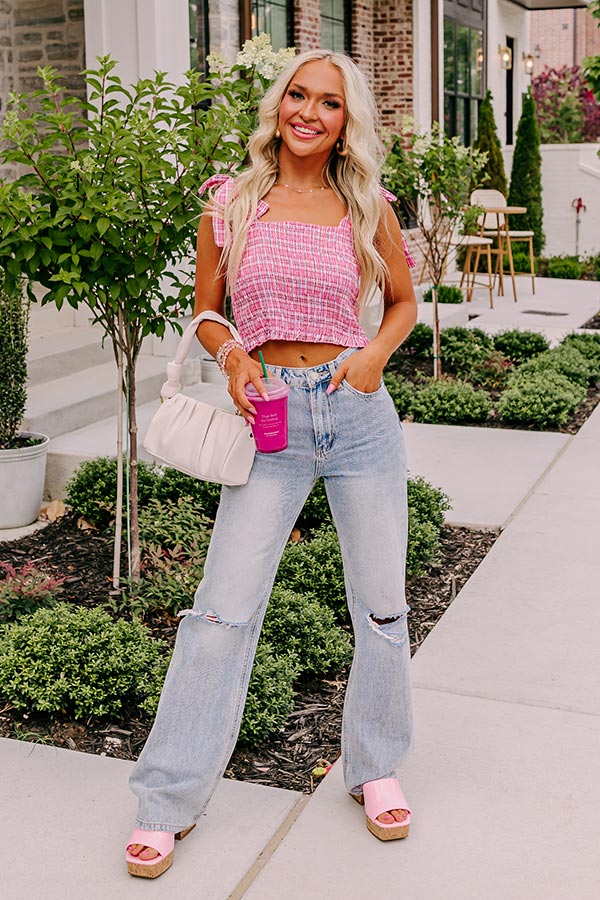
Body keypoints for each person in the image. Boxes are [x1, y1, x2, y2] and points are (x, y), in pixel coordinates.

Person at [126, 48, 418, 879]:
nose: (310, 112)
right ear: (279, 102)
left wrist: (371, 360)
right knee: (220, 612)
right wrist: (233, 360)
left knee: (383, 607)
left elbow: (402, 303)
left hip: (357, 411)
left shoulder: (368, 204)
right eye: (299, 95)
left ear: (345, 120)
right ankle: (167, 799)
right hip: (274, 417)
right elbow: (208, 311)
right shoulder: (231, 201)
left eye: (329, 103)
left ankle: (377, 765)